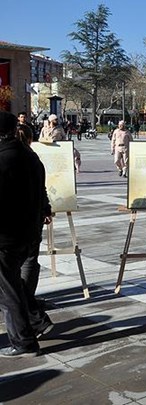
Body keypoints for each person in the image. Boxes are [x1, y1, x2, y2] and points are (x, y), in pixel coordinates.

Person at [0, 111, 48, 357]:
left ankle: (24, 341)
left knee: (7, 292)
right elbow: (42, 192)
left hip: (6, 237)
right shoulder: (31, 157)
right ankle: (38, 321)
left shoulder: (4, 159)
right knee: (13, 285)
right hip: (28, 233)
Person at [14, 124, 55, 339]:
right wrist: (46, 209)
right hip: (34, 219)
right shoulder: (34, 159)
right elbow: (42, 189)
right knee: (29, 261)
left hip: (15, 224)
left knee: (10, 273)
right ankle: (29, 302)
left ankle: (30, 312)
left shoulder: (10, 158)